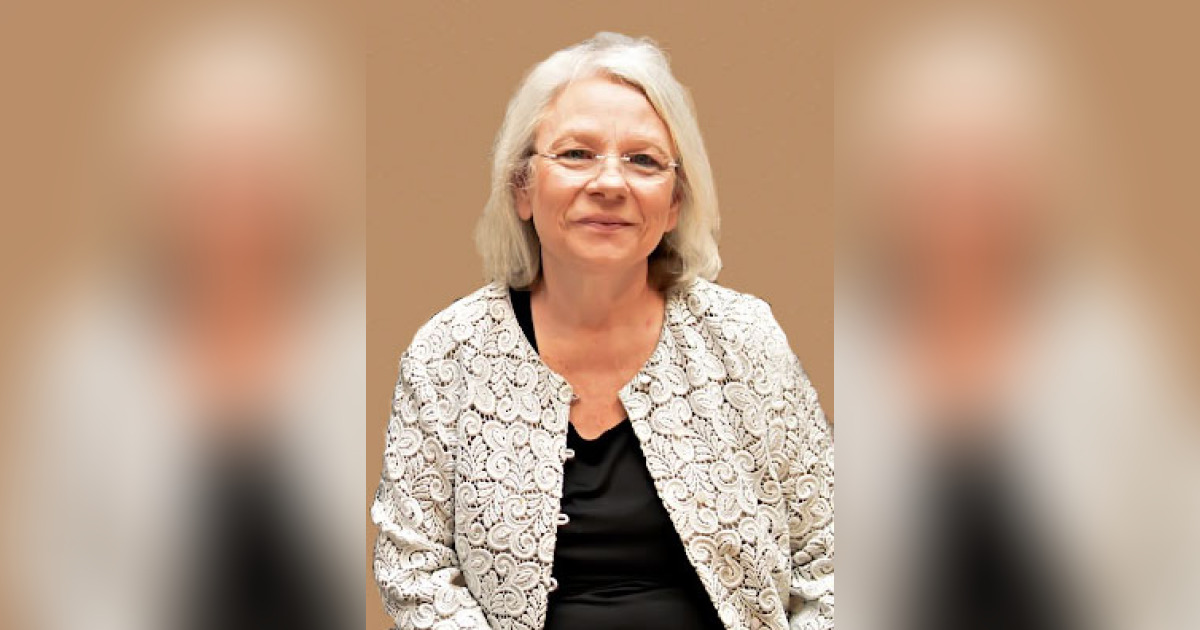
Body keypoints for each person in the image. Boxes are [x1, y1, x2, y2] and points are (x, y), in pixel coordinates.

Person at [371, 32, 833, 630]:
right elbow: (414, 568)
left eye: (643, 160)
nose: (611, 183)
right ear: (521, 188)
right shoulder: (447, 354)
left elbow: (833, 556)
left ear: (674, 203)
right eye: (576, 154)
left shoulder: (746, 338)